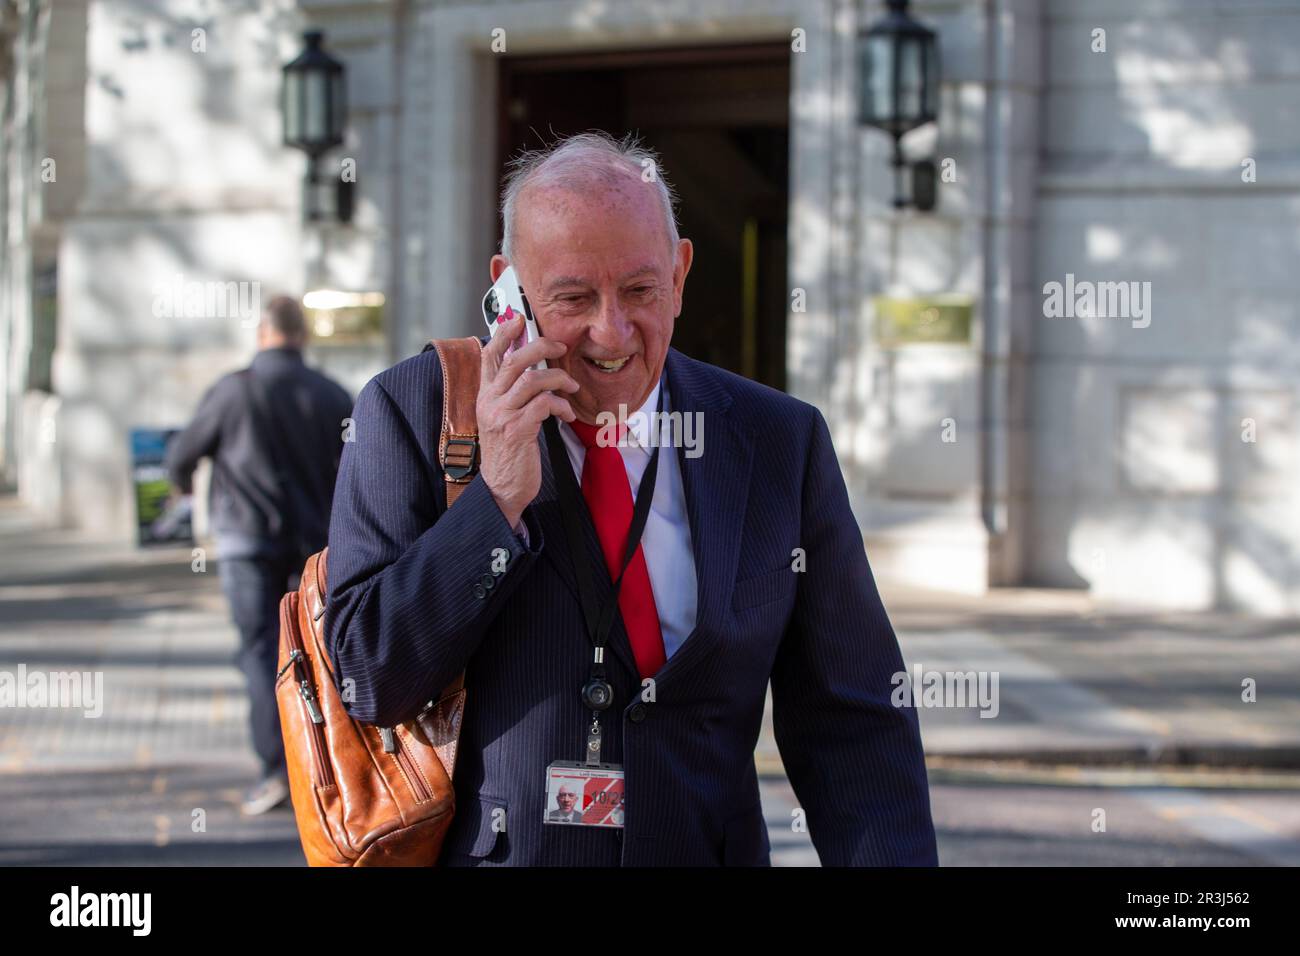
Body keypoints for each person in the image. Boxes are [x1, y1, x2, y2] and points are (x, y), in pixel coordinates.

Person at [325, 131, 938, 865]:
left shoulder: (780, 440)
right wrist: (494, 504)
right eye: (574, 297)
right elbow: (367, 678)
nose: (610, 332)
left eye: (641, 290)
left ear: (679, 276)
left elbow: (854, 723)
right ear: (510, 290)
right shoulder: (412, 411)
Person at [166, 295, 353, 815]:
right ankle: (331, 766)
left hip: (247, 545)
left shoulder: (232, 392)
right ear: (302, 336)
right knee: (321, 653)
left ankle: (274, 770)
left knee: (259, 653)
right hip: (317, 549)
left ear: (261, 334)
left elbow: (181, 456)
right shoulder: (331, 393)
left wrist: (183, 488)